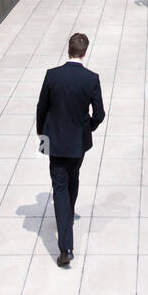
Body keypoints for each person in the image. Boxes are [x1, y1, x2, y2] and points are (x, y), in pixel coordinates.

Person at [36, 32, 105, 268]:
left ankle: (65, 247)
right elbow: (99, 115)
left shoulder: (52, 75)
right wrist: (88, 128)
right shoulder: (91, 79)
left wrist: (41, 135)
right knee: (72, 178)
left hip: (54, 141)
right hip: (78, 143)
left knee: (60, 187)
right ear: (84, 52)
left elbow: (41, 107)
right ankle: (67, 217)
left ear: (68, 50)